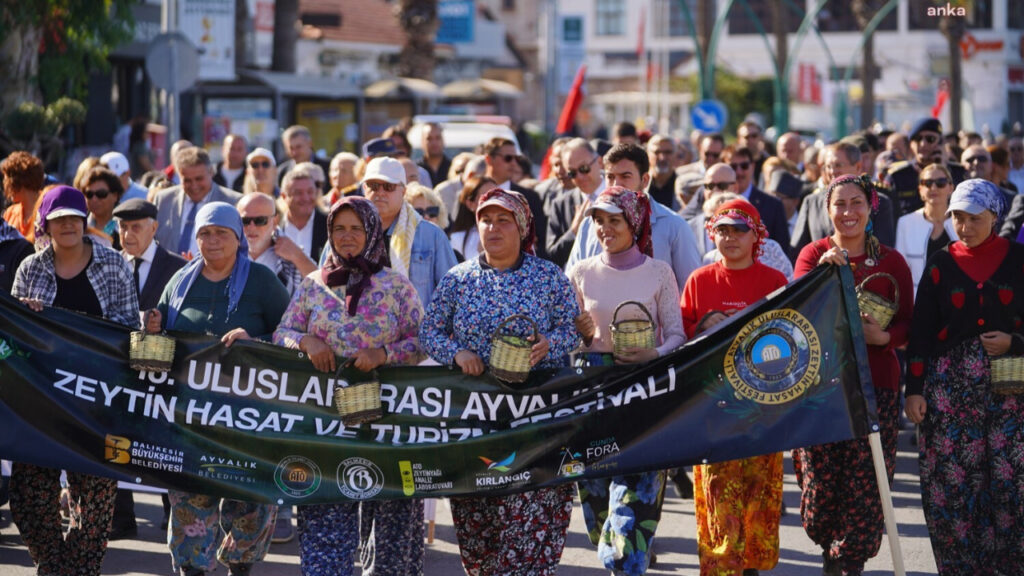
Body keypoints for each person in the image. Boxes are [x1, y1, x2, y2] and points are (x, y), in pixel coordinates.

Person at [420, 188, 580, 576]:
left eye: (503, 220)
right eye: (485, 220)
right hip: (476, 423)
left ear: (522, 227)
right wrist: (457, 353)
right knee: (480, 534)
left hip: (537, 420)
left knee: (529, 527)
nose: (492, 228)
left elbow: (572, 327)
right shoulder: (460, 278)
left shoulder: (547, 276)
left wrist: (549, 344)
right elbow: (430, 331)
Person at [274, 195, 425, 576]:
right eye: (339, 228)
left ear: (372, 232)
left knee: (394, 534)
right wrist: (307, 342)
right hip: (324, 426)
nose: (347, 236)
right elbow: (283, 332)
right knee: (325, 532)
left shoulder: (396, 285)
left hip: (389, 423)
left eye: (356, 228)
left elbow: (425, 340)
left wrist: (384, 354)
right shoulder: (313, 284)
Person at [146, 202, 289, 576]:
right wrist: (154, 328)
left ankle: (239, 565)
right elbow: (159, 338)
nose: (212, 241)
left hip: (250, 417)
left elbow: (291, 337)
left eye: (221, 233)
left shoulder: (261, 281)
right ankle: (193, 567)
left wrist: (254, 341)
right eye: (205, 233)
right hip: (190, 417)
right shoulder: (180, 281)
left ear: (238, 237)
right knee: (191, 498)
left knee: (251, 502)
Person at [10, 185, 140, 576]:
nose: (67, 225)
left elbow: (129, 329)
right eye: (58, 219)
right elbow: (11, 338)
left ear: (84, 221)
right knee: (28, 497)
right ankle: (53, 563)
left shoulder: (113, 264)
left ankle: (78, 570)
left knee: (97, 500)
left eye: (73, 217)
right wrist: (27, 315)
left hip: (97, 402)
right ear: (46, 225)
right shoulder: (29, 268)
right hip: (39, 403)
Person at [793, 174, 913, 576]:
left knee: (866, 487)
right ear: (827, 211)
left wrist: (885, 336)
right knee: (820, 488)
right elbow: (798, 318)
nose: (848, 212)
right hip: (821, 388)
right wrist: (823, 277)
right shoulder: (813, 255)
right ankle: (831, 545)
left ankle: (849, 560)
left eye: (856, 202)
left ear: (871, 206)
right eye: (839, 204)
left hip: (876, 385)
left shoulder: (892, 262)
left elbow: (910, 326)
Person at [905, 179, 1024, 575]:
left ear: (995, 216)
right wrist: (915, 391)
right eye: (957, 217)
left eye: (974, 218)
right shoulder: (941, 262)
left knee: (1011, 484)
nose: (965, 226)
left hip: (1011, 390)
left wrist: (1014, 341)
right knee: (953, 484)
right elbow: (921, 330)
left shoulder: (1019, 258)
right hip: (948, 392)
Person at [568, 186, 685, 575]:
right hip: (593, 402)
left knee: (632, 518)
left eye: (613, 220)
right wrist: (582, 335)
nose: (604, 229)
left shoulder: (659, 272)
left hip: (645, 400)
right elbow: (567, 339)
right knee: (599, 515)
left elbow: (677, 334)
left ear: (633, 222)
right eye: (598, 221)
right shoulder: (581, 272)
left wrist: (653, 353)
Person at [680, 198, 787, 576]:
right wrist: (704, 327)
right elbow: (682, 345)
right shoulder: (699, 280)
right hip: (713, 409)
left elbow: (790, 340)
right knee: (718, 497)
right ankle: (723, 567)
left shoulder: (775, 282)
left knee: (759, 496)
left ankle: (752, 568)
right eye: (722, 230)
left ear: (756, 234)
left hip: (764, 410)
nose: (730, 237)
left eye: (739, 229)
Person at [568, 143, 703, 292]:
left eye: (625, 176)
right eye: (610, 177)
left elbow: (691, 290)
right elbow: (572, 285)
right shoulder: (589, 224)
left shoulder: (674, 226)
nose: (616, 184)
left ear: (645, 180)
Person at [361, 156, 457, 308]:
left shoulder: (431, 236)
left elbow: (453, 293)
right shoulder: (347, 233)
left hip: (417, 329)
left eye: (388, 186)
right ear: (364, 189)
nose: (380, 192)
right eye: (373, 185)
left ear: (403, 191)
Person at [153, 147, 243, 257]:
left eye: (199, 179)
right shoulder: (164, 199)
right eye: (187, 180)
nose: (194, 185)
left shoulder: (233, 202)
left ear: (211, 172)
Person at [894, 163, 957, 295]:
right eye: (927, 183)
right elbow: (900, 271)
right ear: (920, 189)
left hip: (957, 299)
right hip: (918, 300)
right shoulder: (905, 223)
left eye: (941, 182)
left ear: (951, 188)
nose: (934, 187)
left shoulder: (962, 222)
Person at [238, 193, 315, 297]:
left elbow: (321, 286)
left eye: (260, 221)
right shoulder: (226, 252)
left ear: (274, 222)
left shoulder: (290, 254)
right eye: (245, 221)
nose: (252, 227)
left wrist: (298, 256)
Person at [279, 163, 328, 263]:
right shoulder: (274, 227)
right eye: (298, 193)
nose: (305, 198)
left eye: (310, 192)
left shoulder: (329, 226)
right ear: (284, 196)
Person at [448, 176, 496, 262]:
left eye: (497, 195)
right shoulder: (458, 239)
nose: (494, 201)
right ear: (470, 204)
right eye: (486, 197)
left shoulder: (511, 232)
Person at [2, 151, 45, 243]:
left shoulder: (48, 208)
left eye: (6, 180)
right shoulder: (10, 213)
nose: (5, 187)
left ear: (16, 181)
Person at [276, 125, 331, 193]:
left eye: (298, 147)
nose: (295, 152)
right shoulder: (283, 172)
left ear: (310, 143)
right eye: (291, 148)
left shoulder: (328, 167)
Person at [81, 166, 125, 249]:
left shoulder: (126, 227)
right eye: (89, 194)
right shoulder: (79, 226)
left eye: (101, 194)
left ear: (115, 195)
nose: (94, 199)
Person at [417, 122, 451, 187]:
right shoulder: (416, 169)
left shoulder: (452, 168)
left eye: (438, 138)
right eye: (429, 138)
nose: (434, 142)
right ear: (422, 142)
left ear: (443, 141)